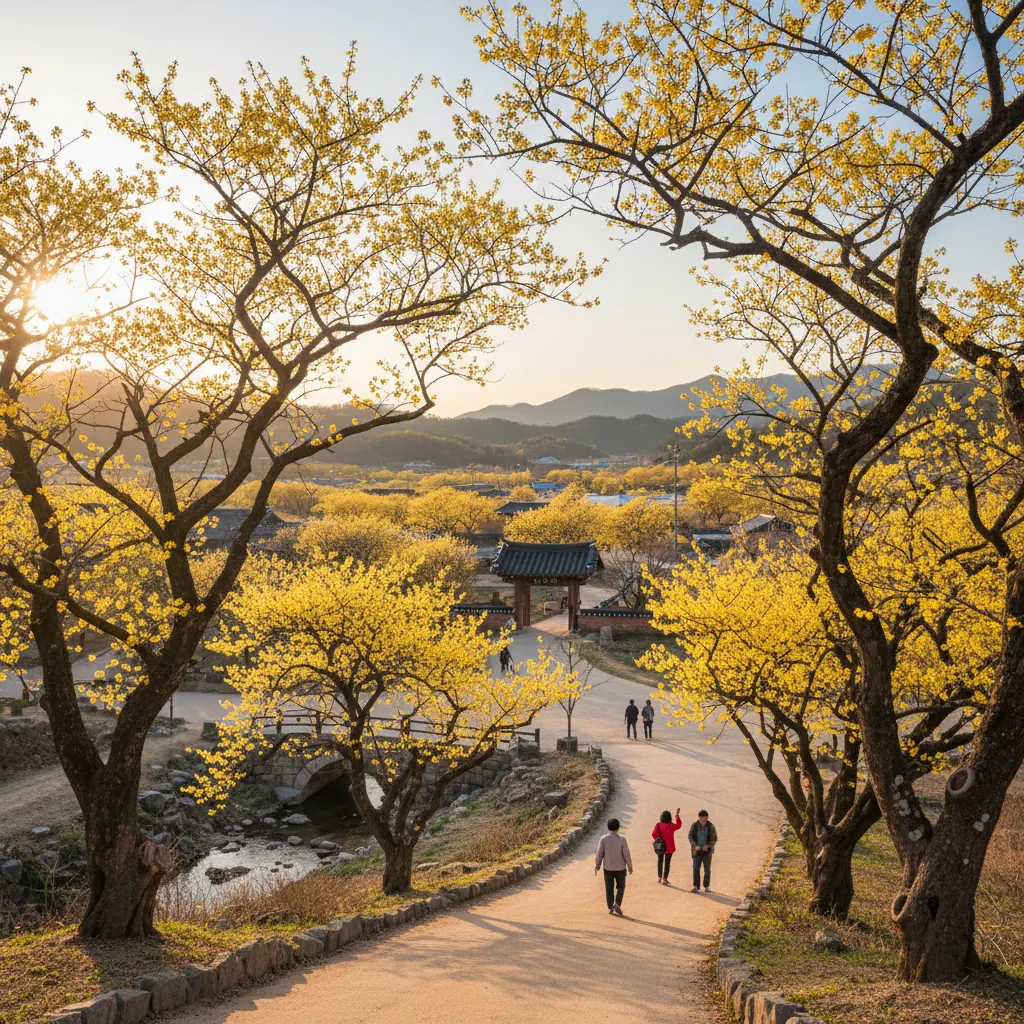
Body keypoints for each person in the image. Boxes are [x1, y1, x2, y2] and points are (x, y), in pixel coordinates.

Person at [595, 817, 633, 915]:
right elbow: (626, 854)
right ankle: (617, 904)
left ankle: (611, 906)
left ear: (608, 827)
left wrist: (597, 864)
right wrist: (630, 866)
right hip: (620, 868)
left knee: (609, 887)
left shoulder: (603, 839)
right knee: (621, 887)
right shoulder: (622, 839)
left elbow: (599, 853)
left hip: (608, 868)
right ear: (618, 827)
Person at [688, 809, 718, 892]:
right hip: (696, 851)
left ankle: (706, 886)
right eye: (701, 820)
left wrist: (708, 846)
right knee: (696, 868)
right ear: (699, 818)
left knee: (707, 870)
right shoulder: (694, 825)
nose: (703, 822)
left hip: (707, 852)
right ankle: (696, 886)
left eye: (705, 820)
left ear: (707, 818)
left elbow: (714, 839)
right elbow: (690, 837)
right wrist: (695, 845)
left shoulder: (711, 826)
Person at [652, 807, 682, 884]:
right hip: (669, 847)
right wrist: (677, 815)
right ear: (670, 818)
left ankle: (659, 877)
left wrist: (658, 839)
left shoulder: (658, 825)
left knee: (660, 861)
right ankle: (665, 879)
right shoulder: (671, 825)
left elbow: (653, 834)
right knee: (667, 863)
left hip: (660, 847)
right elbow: (679, 825)